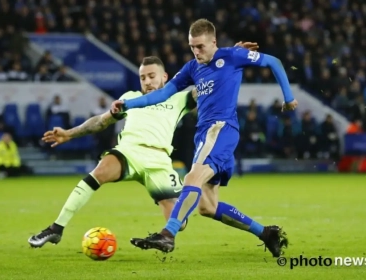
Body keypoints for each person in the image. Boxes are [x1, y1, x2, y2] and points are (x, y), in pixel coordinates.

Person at [27, 41, 258, 248]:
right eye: (143, 77)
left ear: (165, 77)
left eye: (151, 76)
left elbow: (211, 82)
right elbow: (101, 121)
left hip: (159, 162)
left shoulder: (179, 98)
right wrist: (69, 133)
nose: (147, 82)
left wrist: (228, 57)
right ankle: (56, 228)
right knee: (100, 171)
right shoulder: (129, 98)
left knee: (180, 222)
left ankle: (166, 235)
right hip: (129, 151)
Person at [112, 19, 298, 258]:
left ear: (214, 42)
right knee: (207, 207)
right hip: (205, 134)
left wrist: (289, 97)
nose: (196, 52)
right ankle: (266, 233)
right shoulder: (192, 68)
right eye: (192, 47)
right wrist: (127, 104)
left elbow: (274, 61)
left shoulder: (232, 56)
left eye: (200, 46)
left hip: (221, 129)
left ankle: (168, 234)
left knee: (192, 177)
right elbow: (162, 94)